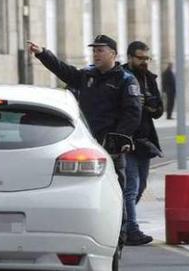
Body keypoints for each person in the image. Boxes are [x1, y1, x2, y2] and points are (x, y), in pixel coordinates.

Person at [27, 34, 142, 250]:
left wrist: (118, 138)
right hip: (87, 145)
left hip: (110, 147)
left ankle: (119, 236)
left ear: (113, 54)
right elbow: (64, 71)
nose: (96, 54)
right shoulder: (87, 76)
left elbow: (133, 113)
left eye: (101, 50)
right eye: (94, 50)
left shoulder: (125, 80)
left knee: (116, 192)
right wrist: (43, 53)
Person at [122, 41, 164, 246]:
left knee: (141, 186)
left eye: (147, 58)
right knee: (131, 186)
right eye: (140, 58)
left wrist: (149, 105)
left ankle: (121, 224)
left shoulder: (149, 79)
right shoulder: (120, 77)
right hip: (126, 140)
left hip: (145, 141)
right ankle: (131, 229)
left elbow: (159, 110)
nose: (144, 62)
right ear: (130, 57)